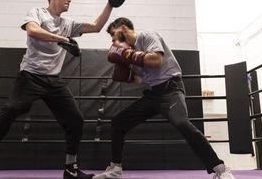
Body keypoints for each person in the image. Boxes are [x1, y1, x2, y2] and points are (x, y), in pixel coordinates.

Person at [0, 0, 128, 179]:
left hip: (53, 81)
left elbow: (96, 27)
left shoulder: (67, 23)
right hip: (30, 77)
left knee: (75, 120)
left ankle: (70, 169)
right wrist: (63, 40)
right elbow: (32, 31)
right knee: (10, 111)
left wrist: (110, 4)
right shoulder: (37, 13)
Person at [93, 17, 235, 179]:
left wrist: (127, 55)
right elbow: (138, 79)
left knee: (182, 123)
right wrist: (125, 75)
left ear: (123, 28)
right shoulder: (130, 52)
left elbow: (156, 61)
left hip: (170, 90)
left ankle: (220, 169)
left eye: (114, 34)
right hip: (154, 94)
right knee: (118, 122)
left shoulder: (147, 36)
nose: (112, 40)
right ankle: (115, 169)